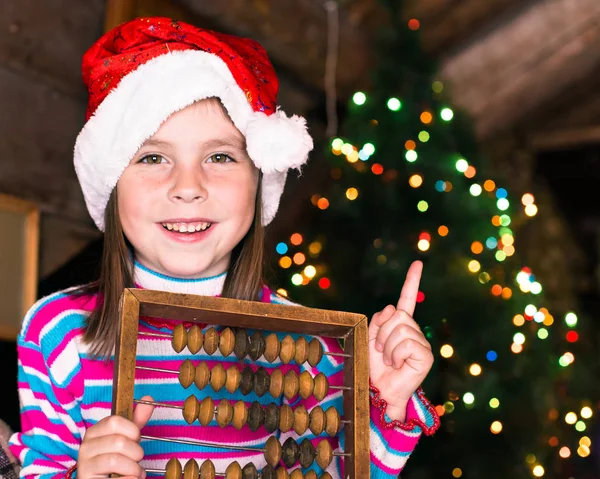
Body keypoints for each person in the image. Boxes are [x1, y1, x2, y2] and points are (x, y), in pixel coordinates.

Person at [9, 17, 439, 479]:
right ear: (112, 183)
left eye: (219, 157)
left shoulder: (314, 349)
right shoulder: (59, 335)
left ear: (258, 181)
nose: (188, 187)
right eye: (153, 157)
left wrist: (384, 405)